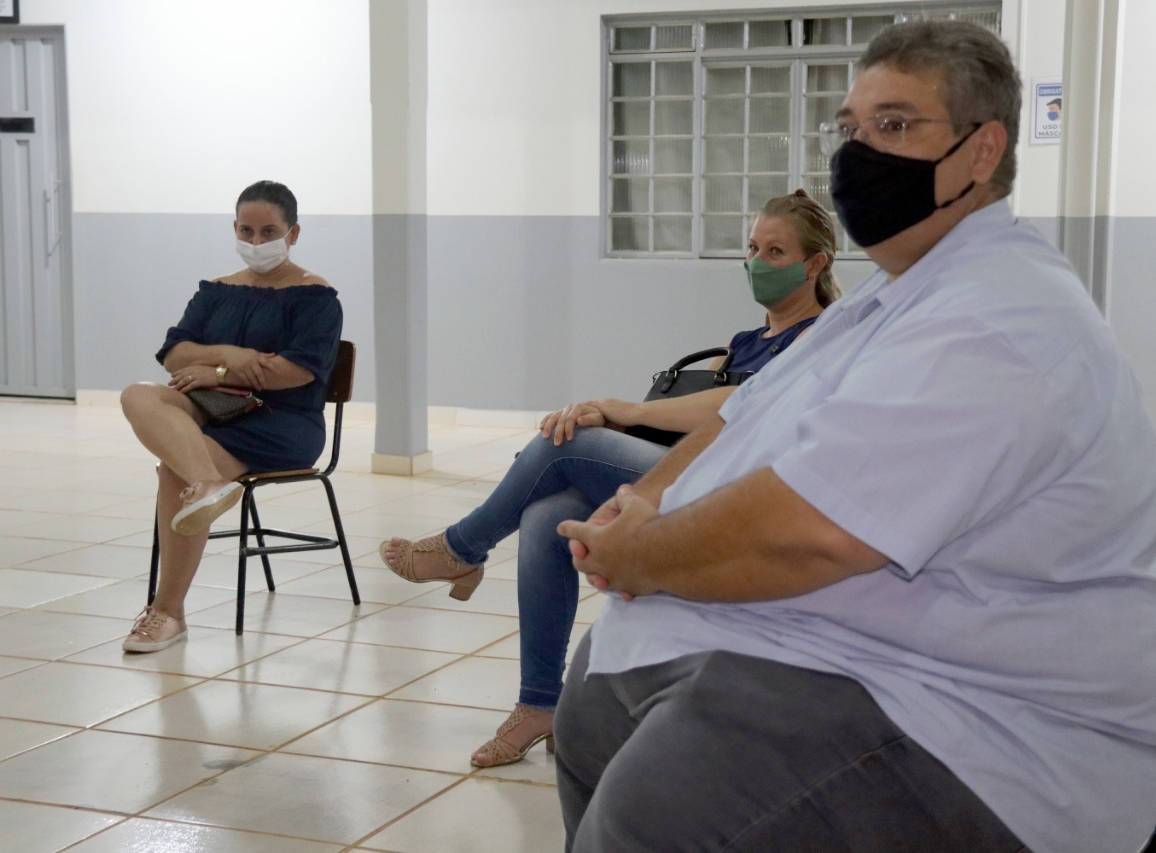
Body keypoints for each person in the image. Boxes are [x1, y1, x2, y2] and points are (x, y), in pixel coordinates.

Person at [553, 20, 1156, 853]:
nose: (859, 153)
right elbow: (744, 414)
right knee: (593, 701)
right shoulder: (888, 294)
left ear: (981, 150)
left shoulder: (1000, 320)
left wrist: (640, 555)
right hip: (866, 647)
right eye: (851, 128)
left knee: (661, 809)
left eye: (894, 125)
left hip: (988, 723)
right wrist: (642, 500)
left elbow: (811, 533)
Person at [378, 191, 840, 767]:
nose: (757, 263)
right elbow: (697, 423)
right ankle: (539, 702)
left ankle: (460, 549)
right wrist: (612, 415)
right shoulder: (745, 342)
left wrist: (626, 409)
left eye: (775, 252)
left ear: (815, 264)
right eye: (751, 248)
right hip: (688, 468)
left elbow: (738, 409)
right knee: (547, 516)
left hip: (736, 491)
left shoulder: (821, 335)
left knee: (561, 444)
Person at [118, 180, 343, 653]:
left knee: (172, 469)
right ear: (235, 229)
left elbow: (295, 372)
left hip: (280, 422)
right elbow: (174, 354)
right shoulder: (216, 290)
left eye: (269, 232)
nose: (256, 242)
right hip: (211, 409)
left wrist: (215, 370)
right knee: (138, 394)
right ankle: (207, 484)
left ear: (293, 233)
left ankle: (167, 612)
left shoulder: (315, 297)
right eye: (246, 231)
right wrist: (229, 356)